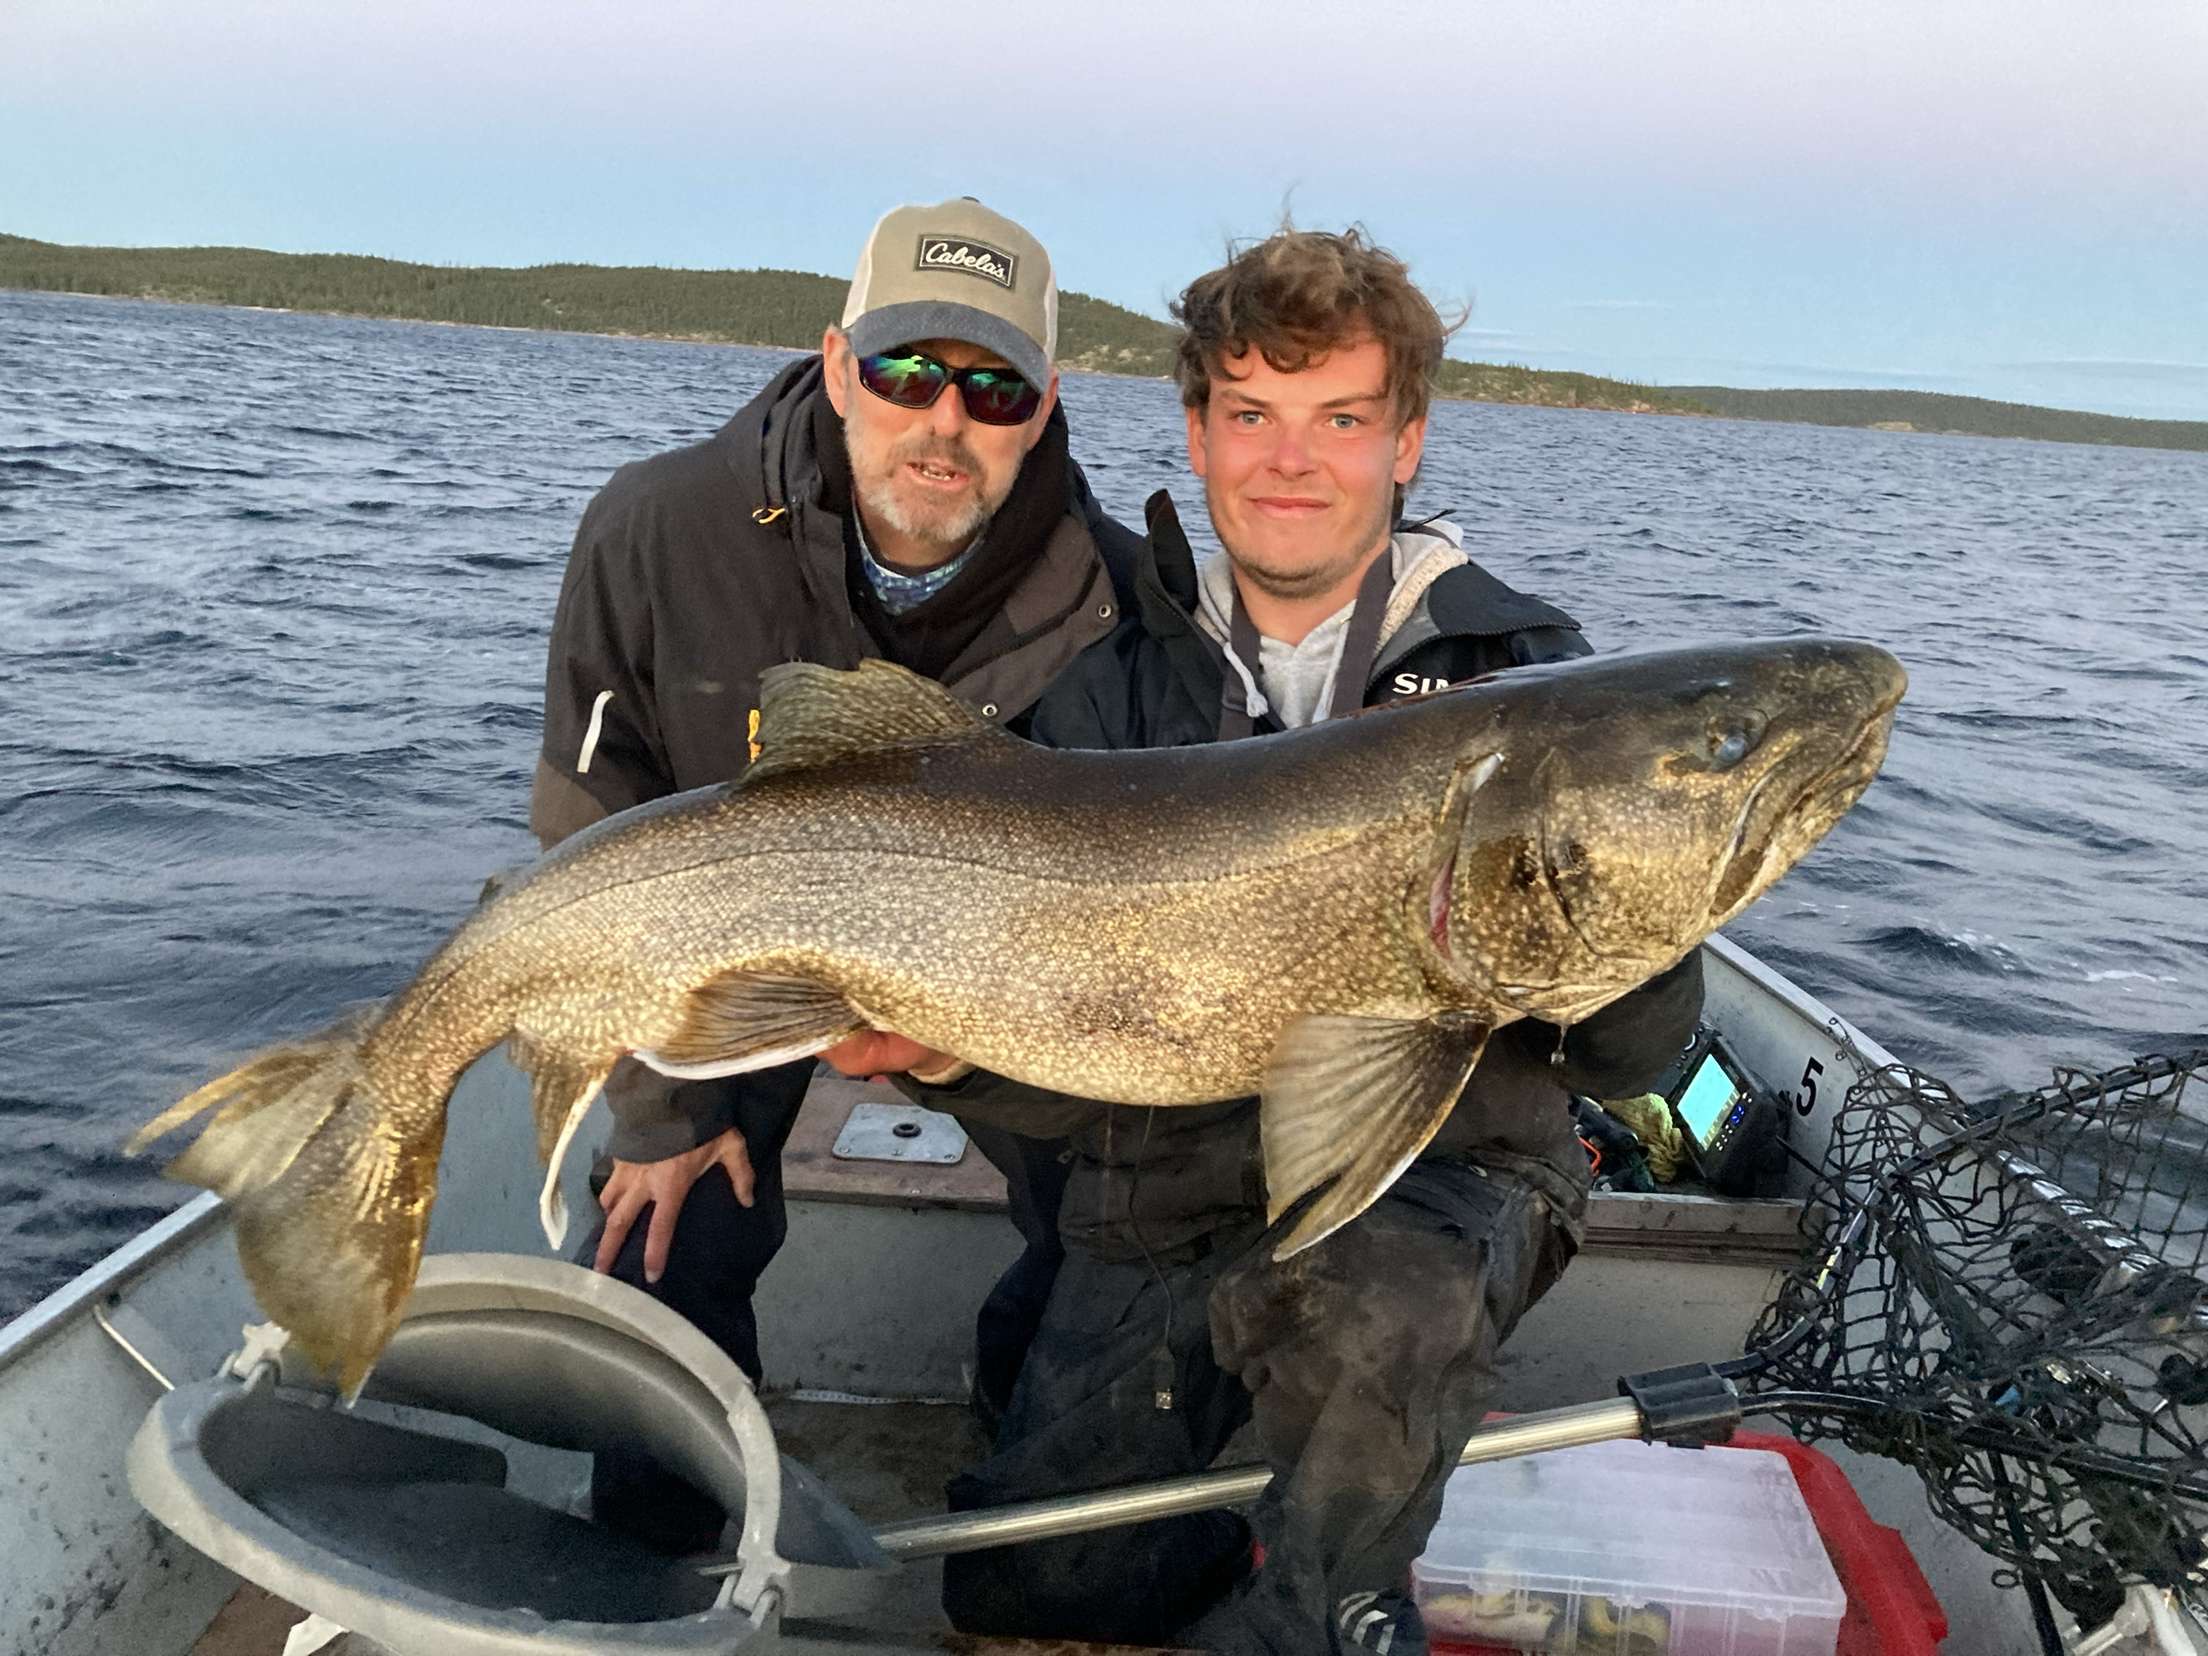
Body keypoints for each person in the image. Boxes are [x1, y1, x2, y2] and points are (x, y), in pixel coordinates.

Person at [878, 227, 1707, 1654]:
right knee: (1035, 1595)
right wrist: (943, 1063)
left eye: (1340, 419)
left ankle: (1330, 1610)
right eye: (1253, 415)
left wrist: (1627, 911)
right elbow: (1070, 1069)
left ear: (1408, 441)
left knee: (1382, 1316)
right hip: (1163, 1172)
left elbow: (1634, 1060)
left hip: (1444, 1171)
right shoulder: (1099, 687)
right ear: (1197, 434)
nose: (1290, 461)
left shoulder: (1529, 681)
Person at [530, 196, 1137, 1553]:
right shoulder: (656, 527)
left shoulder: (1113, 593)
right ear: (837, 365)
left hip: (988, 985)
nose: (945, 420)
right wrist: (658, 1113)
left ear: (1043, 408)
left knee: (1123, 1203)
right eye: (907, 371)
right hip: (727, 954)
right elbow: (588, 821)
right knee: (657, 1231)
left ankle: (1027, 1463)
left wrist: (959, 1047)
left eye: (993, 388)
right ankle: (662, 1554)